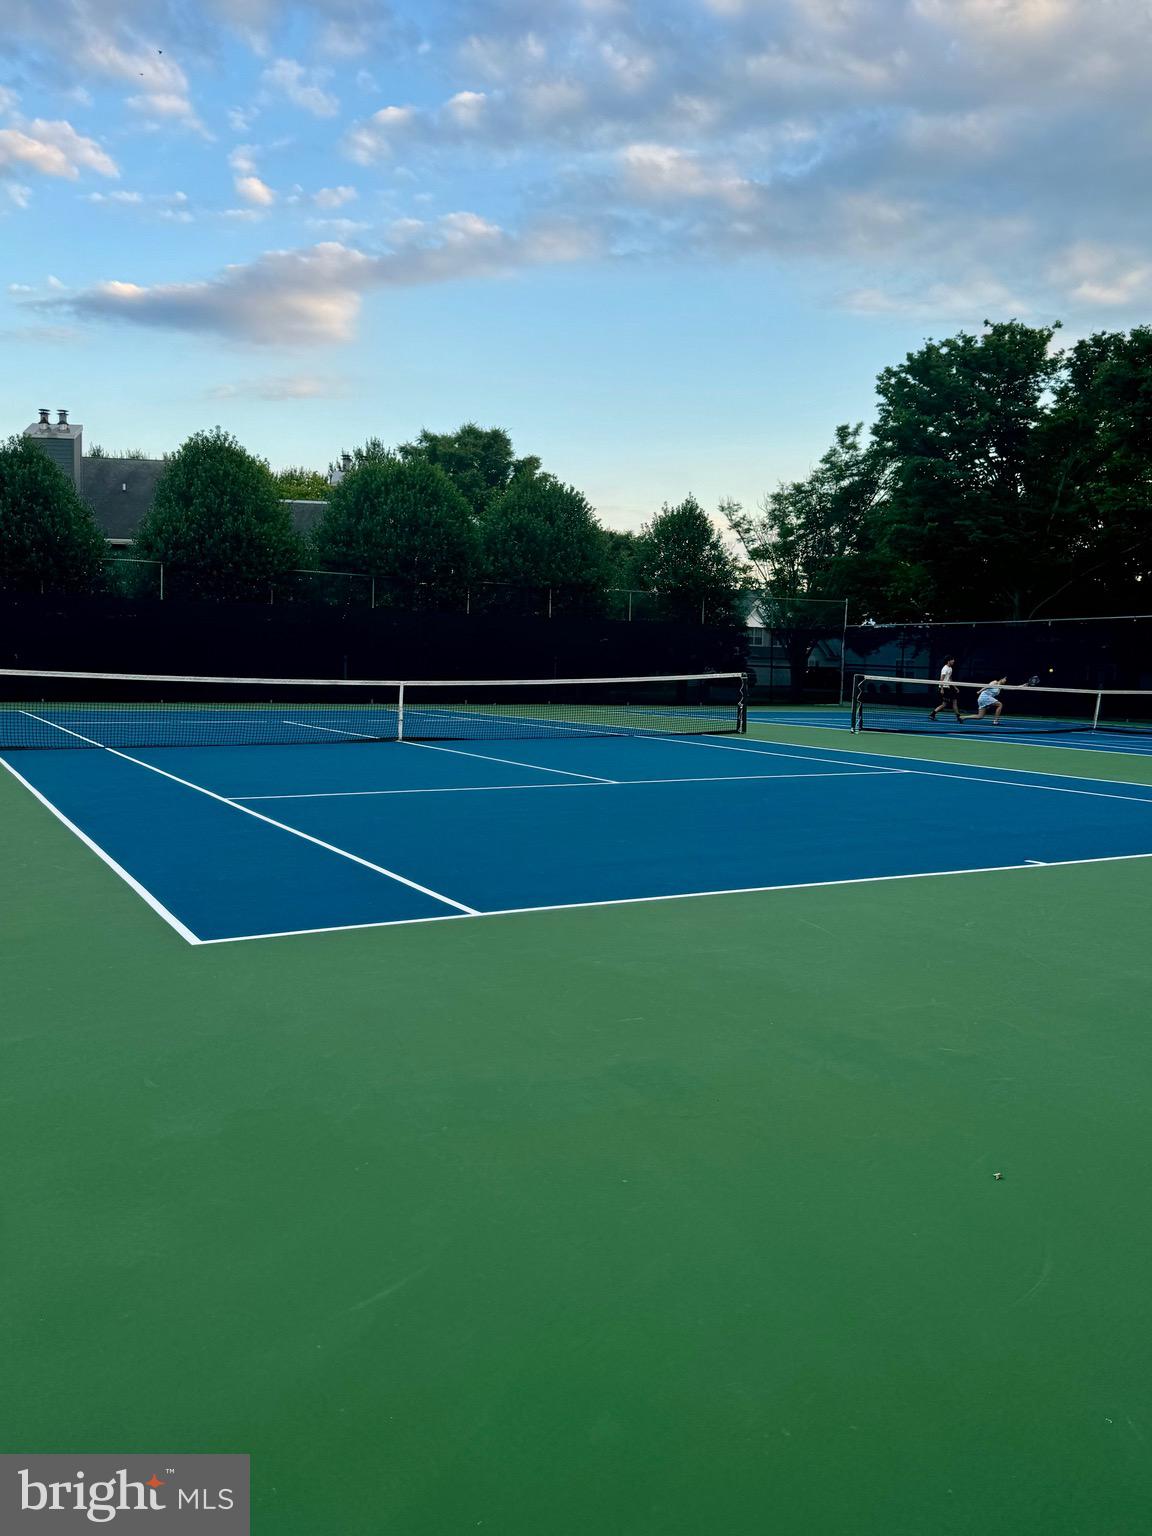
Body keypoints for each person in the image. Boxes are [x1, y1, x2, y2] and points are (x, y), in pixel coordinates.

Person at [928, 657, 963, 722]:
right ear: (948, 661)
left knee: (952, 702)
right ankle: (958, 717)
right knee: (946, 704)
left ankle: (958, 716)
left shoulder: (950, 668)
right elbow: (941, 679)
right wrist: (941, 689)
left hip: (948, 687)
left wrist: (955, 687)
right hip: (944, 688)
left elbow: (949, 679)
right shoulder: (945, 668)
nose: (953, 661)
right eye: (952, 660)